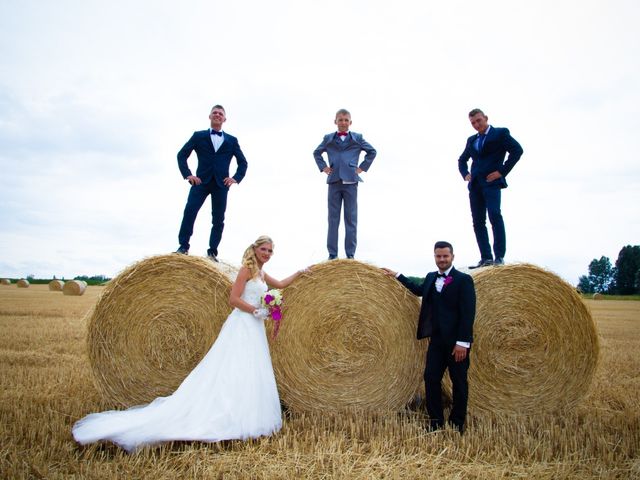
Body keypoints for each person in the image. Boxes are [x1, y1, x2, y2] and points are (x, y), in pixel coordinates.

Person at [72, 236, 305, 453]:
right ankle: (228, 413)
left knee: (250, 369)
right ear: (254, 249)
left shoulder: (263, 275)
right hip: (243, 323)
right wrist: (255, 310)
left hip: (254, 328)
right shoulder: (245, 270)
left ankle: (250, 414)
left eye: (270, 251)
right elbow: (233, 299)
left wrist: (302, 272)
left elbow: (282, 283)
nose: (267, 253)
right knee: (233, 366)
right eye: (264, 249)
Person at [382, 241, 476, 433]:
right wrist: (397, 275)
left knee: (458, 382)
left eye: (445, 256)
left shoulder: (463, 280)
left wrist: (462, 343)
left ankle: (457, 423)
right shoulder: (431, 277)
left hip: (456, 343)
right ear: (434, 257)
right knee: (431, 379)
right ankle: (435, 422)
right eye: (438, 256)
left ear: (452, 257)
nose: (441, 259)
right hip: (437, 342)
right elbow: (418, 290)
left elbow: (468, 313)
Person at [175, 105, 248, 262]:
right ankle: (183, 246)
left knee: (218, 219)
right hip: (200, 182)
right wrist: (188, 175)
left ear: (224, 119)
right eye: (215, 112)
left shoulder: (232, 141)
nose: (217, 115)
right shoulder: (198, 136)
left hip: (221, 185)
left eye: (220, 113)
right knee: (190, 211)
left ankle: (212, 252)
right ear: (209, 116)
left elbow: (243, 163)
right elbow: (181, 155)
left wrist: (235, 178)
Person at [458, 108, 523, 268]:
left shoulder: (500, 134)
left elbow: (517, 150)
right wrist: (466, 174)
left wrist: (501, 172)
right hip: (475, 186)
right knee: (478, 221)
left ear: (485, 118)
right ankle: (486, 258)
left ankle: (499, 257)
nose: (476, 124)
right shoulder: (471, 140)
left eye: (479, 120)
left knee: (495, 215)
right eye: (473, 122)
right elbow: (462, 160)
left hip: (491, 183)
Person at [313, 109, 377, 260]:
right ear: (335, 121)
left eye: (346, 120)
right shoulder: (328, 138)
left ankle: (350, 255)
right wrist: (323, 167)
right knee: (333, 219)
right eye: (340, 120)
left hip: (351, 182)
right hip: (334, 181)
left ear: (350, 122)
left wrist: (361, 168)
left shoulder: (358, 138)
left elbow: (372, 152)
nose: (343, 123)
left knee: (351, 219)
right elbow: (316, 152)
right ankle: (332, 254)